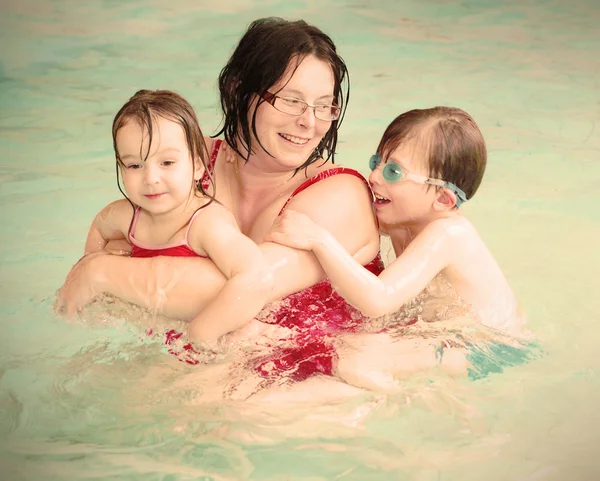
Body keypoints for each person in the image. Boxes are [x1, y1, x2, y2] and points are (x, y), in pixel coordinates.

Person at [55, 18, 382, 383]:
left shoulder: (341, 195)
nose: (310, 122)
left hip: (320, 379)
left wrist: (99, 272)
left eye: (324, 106)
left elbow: (243, 287)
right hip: (202, 362)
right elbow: (124, 252)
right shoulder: (184, 168)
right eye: (292, 101)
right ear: (237, 88)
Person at [267, 106, 526, 336]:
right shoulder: (403, 221)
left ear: (444, 200)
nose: (374, 176)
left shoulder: (450, 234)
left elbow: (378, 300)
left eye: (393, 171)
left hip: (489, 343)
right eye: (377, 161)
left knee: (356, 355)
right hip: (450, 334)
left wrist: (319, 240)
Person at [83, 89, 272, 341]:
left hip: (226, 333)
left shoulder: (206, 223)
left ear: (197, 165)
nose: (150, 179)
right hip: (165, 333)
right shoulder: (124, 216)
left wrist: (204, 331)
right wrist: (93, 260)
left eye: (167, 163)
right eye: (134, 165)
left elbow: (256, 276)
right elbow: (99, 227)